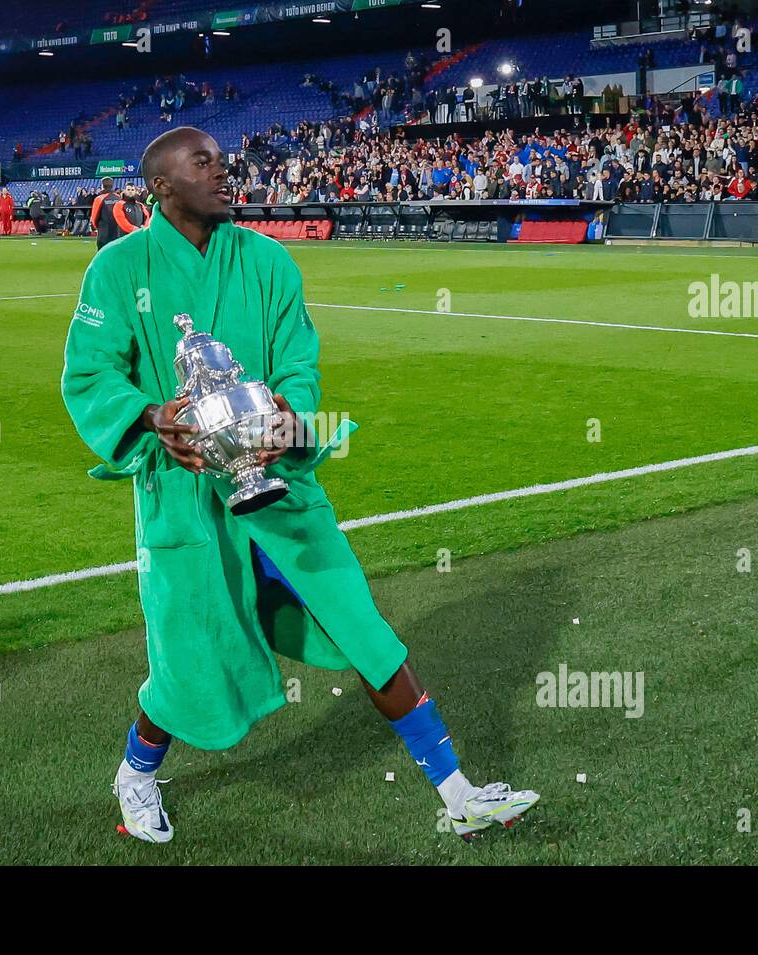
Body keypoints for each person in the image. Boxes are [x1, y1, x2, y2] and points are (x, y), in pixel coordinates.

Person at [61, 126, 539, 845]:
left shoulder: (269, 260)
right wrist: (153, 416)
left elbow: (298, 364)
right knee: (190, 661)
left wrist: (292, 415)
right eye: (205, 164)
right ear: (161, 185)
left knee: (364, 630)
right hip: (189, 502)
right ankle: (136, 771)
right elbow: (90, 374)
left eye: (224, 160)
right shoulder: (118, 270)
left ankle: (458, 791)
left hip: (279, 491)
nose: (226, 172)